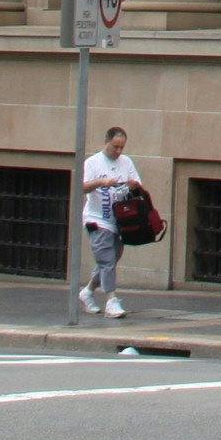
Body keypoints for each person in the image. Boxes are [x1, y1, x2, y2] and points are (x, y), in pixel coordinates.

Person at [77, 127, 142, 321]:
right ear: (106, 142)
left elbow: (137, 183)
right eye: (115, 147)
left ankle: (87, 291)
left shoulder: (126, 162)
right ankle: (111, 300)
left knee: (112, 259)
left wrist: (133, 185)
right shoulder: (93, 163)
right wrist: (101, 183)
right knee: (106, 259)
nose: (119, 151)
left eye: (122, 147)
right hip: (97, 218)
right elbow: (82, 186)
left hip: (119, 220)